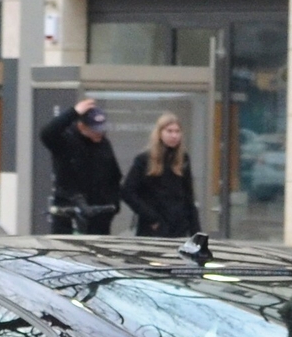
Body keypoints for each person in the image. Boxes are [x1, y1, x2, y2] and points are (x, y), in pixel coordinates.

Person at [39, 96, 122, 234]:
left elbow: (114, 176)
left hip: (98, 214)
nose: (100, 133)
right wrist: (73, 112)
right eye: (95, 129)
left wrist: (113, 206)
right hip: (69, 212)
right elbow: (46, 133)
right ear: (82, 125)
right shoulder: (66, 139)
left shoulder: (103, 144)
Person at [120, 112, 200, 238]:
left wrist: (196, 234)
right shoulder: (144, 159)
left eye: (177, 131)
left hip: (179, 228)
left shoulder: (183, 159)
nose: (174, 135)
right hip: (153, 229)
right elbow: (127, 192)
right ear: (160, 133)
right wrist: (152, 218)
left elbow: (188, 197)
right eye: (169, 131)